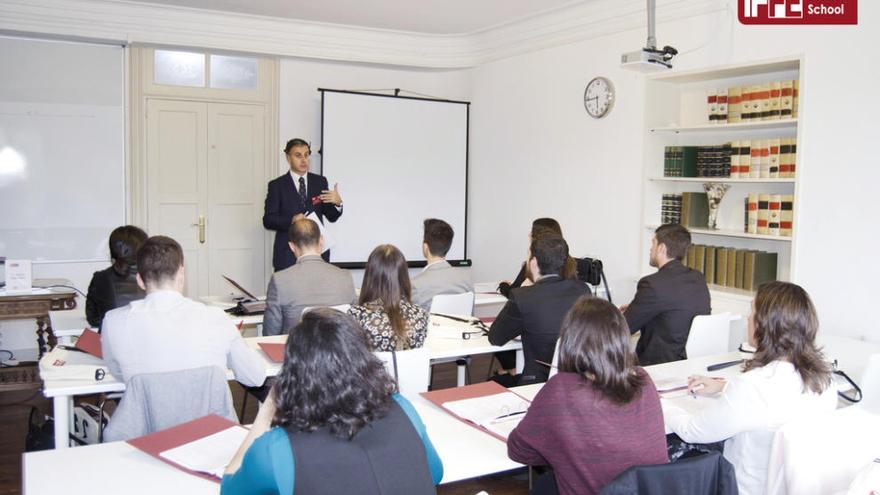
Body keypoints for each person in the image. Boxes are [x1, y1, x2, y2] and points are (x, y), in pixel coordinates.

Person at [221, 308, 443, 495]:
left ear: (295, 373)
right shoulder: (402, 408)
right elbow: (435, 471)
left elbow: (229, 489)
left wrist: (267, 410)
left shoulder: (277, 449)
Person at [665, 281, 837, 495]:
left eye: (752, 310)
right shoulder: (825, 382)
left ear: (766, 325)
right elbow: (775, 402)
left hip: (741, 488)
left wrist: (662, 404)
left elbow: (692, 431)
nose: (748, 317)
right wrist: (723, 387)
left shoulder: (751, 388)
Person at [507, 297, 668, 495]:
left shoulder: (561, 390)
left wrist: (561, 448)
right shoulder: (643, 379)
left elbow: (518, 450)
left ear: (570, 341)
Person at [101, 236, 265, 387]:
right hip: (210, 418)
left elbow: (120, 374)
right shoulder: (216, 319)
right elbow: (255, 377)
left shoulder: (113, 322)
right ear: (182, 274)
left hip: (148, 418)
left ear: (140, 281)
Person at [488, 234, 590, 386]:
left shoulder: (523, 296)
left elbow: (495, 338)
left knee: (492, 382)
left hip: (538, 383)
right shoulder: (583, 290)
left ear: (534, 262)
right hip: (578, 380)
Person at [621, 223, 710, 366]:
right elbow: (672, 313)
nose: (651, 249)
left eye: (653, 243)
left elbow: (624, 328)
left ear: (661, 248)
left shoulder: (652, 284)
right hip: (690, 363)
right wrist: (638, 308)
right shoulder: (698, 278)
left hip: (656, 366)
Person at [263, 218, 356, 336]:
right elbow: (354, 325)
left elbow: (270, 333)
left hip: (298, 352)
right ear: (321, 240)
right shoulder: (345, 276)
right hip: (338, 352)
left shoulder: (279, 280)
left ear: (292, 246)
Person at [263, 138, 343, 272]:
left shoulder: (320, 182)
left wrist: (338, 203)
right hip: (287, 255)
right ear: (288, 157)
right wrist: (291, 220)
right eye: (298, 155)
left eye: (306, 155)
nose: (304, 160)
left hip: (317, 255)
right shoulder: (277, 185)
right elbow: (268, 220)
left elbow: (331, 216)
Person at [349, 244, 428, 352]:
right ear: (403, 276)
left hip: (374, 369)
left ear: (370, 276)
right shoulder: (420, 315)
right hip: (410, 369)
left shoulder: (356, 316)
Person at [85, 225, 148, 330]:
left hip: (112, 343)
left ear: (112, 250)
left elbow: (93, 319)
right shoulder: (155, 277)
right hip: (147, 342)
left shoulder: (100, 278)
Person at [498, 218, 577, 297]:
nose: (529, 234)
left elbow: (512, 293)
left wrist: (503, 285)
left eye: (532, 231)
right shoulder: (571, 262)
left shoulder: (535, 263)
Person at [410, 218, 473, 310]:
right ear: (448, 247)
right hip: (459, 325)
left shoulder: (415, 285)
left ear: (425, 247)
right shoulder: (466, 279)